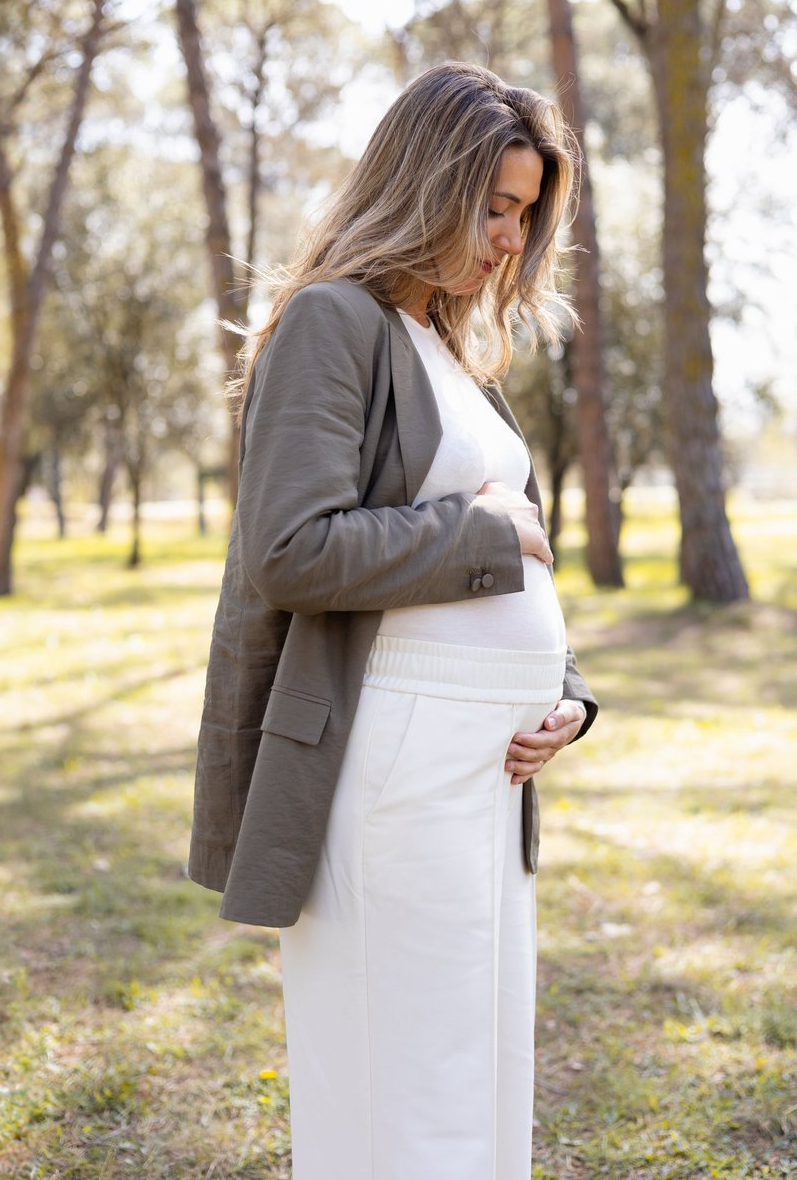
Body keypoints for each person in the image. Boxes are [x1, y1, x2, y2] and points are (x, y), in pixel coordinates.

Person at [186, 61, 602, 1180]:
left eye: (525, 212)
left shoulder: (455, 352)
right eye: (494, 207)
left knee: (478, 1075)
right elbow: (291, 550)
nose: (511, 239)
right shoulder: (334, 323)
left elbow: (518, 552)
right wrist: (481, 538)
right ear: (424, 186)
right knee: (402, 1087)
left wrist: (566, 694)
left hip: (489, 776)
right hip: (390, 770)